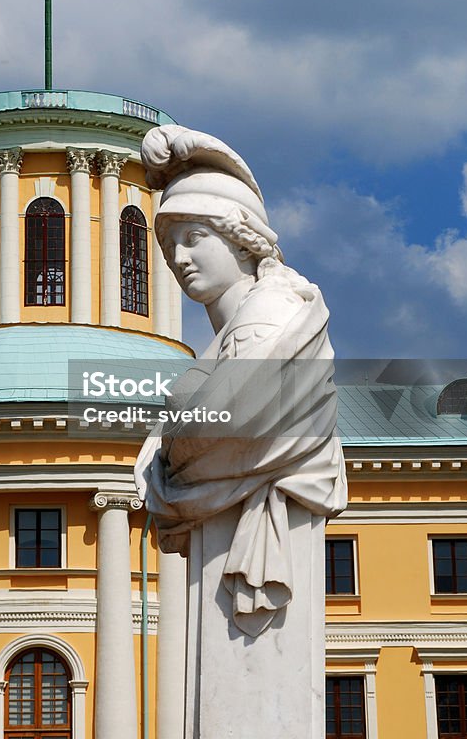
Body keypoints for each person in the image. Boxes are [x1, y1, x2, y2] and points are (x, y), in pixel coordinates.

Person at [135, 125, 347, 737]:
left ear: (243, 241)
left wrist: (174, 444)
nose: (179, 258)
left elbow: (226, 427)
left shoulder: (276, 326)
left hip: (260, 523)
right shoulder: (218, 351)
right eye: (170, 243)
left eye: (196, 238)